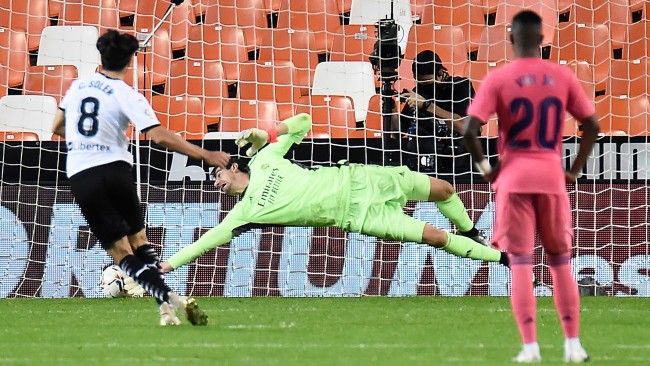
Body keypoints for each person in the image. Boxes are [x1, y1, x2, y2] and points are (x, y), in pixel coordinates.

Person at [160, 113, 510, 275]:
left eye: (216, 172)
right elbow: (206, 240)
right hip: (357, 216)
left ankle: (471, 232)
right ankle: (506, 261)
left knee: (444, 189)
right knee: (434, 236)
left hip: (362, 179)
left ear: (233, 167)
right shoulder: (244, 213)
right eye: (212, 180)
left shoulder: (266, 157)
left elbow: (304, 121)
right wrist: (168, 264)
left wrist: (267, 132)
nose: (215, 181)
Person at [51, 29, 230, 326]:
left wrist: (87, 140)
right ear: (130, 61)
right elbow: (158, 136)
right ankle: (165, 307)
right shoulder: (126, 94)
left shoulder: (78, 86)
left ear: (101, 56)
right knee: (139, 240)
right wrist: (206, 154)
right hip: (116, 168)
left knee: (120, 252)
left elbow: (58, 126)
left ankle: (170, 300)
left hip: (82, 173)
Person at [463, 11, 599, 363]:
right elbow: (592, 125)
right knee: (560, 262)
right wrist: (574, 170)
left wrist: (487, 170)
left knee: (521, 263)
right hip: (552, 176)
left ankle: (530, 347)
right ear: (543, 40)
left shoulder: (499, 78)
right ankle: (573, 345)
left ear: (512, 40)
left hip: (514, 179)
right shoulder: (562, 75)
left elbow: (469, 129)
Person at [394, 50, 476, 172]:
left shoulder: (460, 86)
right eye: (419, 82)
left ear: (440, 73)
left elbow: (465, 127)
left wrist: (427, 105)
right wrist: (391, 109)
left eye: (427, 83)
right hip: (423, 160)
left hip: (458, 161)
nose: (424, 87)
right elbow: (398, 132)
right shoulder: (419, 91)